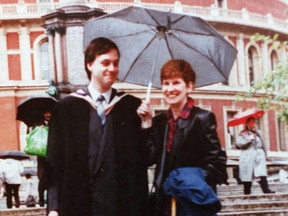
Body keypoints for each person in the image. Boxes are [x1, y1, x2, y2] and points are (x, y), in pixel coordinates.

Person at [46, 37, 148, 216]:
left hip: (120, 205)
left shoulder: (130, 106)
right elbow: (54, 161)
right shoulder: (66, 108)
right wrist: (54, 207)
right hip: (79, 203)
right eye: (106, 63)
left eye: (116, 63)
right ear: (89, 65)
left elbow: (142, 161)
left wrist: (146, 124)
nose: (112, 69)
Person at [137, 59, 228, 216]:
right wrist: (146, 124)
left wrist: (185, 182)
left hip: (192, 204)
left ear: (189, 86)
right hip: (164, 204)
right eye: (166, 83)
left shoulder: (202, 118)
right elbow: (149, 158)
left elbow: (217, 166)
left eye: (176, 83)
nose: (170, 89)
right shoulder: (160, 122)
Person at [236, 117, 274, 195]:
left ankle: (266, 189)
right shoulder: (242, 133)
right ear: (247, 124)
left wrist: (265, 154)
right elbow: (239, 144)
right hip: (248, 155)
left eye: (254, 122)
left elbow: (263, 144)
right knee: (247, 174)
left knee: (261, 172)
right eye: (250, 122)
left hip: (259, 155)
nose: (253, 123)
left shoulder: (258, 133)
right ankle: (247, 192)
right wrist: (248, 139)